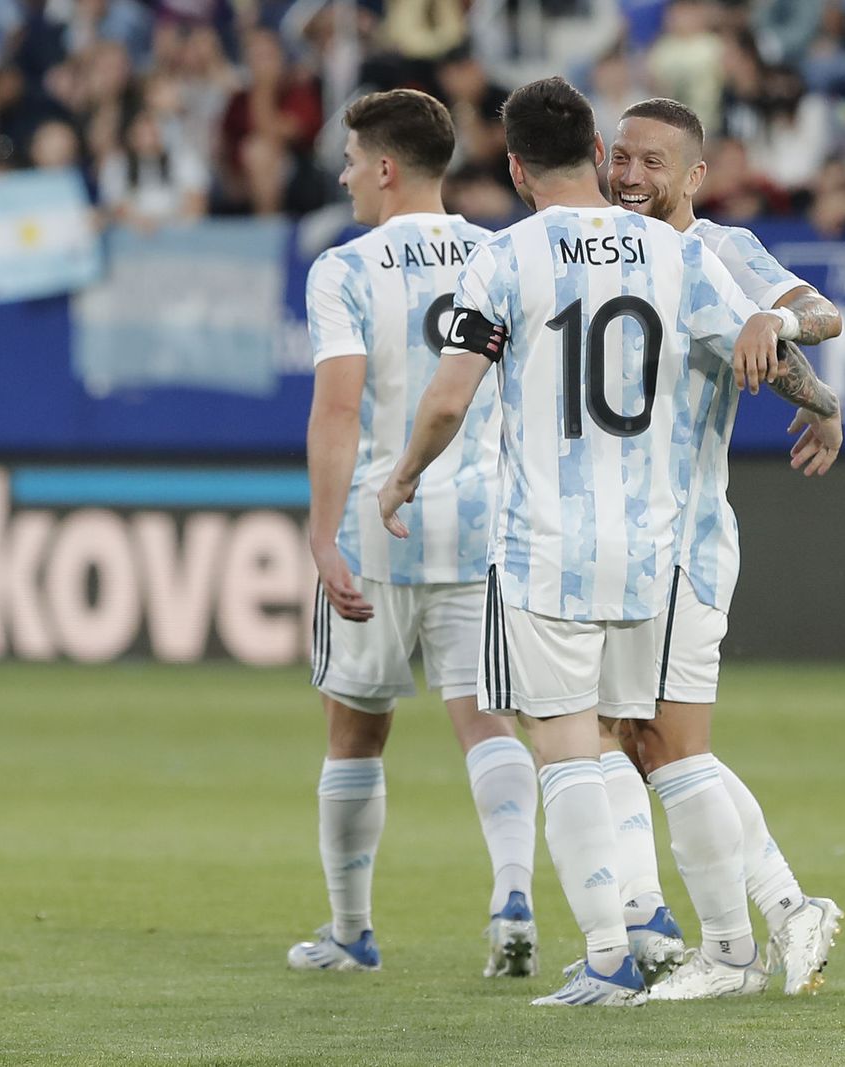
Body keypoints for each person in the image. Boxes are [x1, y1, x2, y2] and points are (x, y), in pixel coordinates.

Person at [376, 76, 790, 1007]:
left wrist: (402, 476)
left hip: (543, 548)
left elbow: (448, 397)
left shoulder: (503, 257)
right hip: (651, 551)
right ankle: (724, 937)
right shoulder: (675, 251)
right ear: (599, 154)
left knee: (568, 751)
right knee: (666, 750)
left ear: (516, 168)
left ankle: (609, 955)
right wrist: (818, 395)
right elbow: (768, 347)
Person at [287, 88, 542, 980]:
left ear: (387, 168)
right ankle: (513, 895)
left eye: (353, 161)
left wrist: (324, 534)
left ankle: (351, 931)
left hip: (377, 529)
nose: (347, 177)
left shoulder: (344, 269)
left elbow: (338, 407)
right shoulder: (500, 252)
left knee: (354, 733)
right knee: (489, 721)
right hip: (483, 526)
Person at [605, 97, 845, 1000]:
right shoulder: (598, 246)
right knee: (637, 739)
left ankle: (735, 945)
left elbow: (816, 311)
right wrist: (820, 400)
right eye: (621, 157)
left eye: (652, 162)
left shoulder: (720, 250)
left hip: (680, 536)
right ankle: (778, 912)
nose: (631, 176)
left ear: (695, 176)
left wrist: (784, 336)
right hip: (613, 541)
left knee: (668, 744)